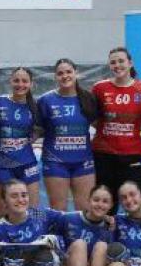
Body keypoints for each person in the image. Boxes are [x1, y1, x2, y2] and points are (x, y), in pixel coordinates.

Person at [91, 47, 141, 201]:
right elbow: (90, 116)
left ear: (130, 63)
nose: (117, 65)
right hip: (103, 156)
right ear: (109, 66)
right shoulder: (99, 88)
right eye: (113, 62)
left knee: (135, 204)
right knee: (105, 205)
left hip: (133, 155)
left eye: (121, 61)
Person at [38, 58, 99, 211]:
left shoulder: (88, 98)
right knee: (58, 209)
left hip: (83, 161)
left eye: (68, 72)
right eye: (60, 73)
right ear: (55, 77)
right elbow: (37, 130)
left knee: (85, 209)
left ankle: (81, 236)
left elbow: (100, 125)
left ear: (76, 73)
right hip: (55, 161)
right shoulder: (45, 100)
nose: (65, 76)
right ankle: (57, 236)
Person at [53, 185, 113, 266]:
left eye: (105, 201)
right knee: (80, 244)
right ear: (88, 201)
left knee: (102, 246)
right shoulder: (68, 218)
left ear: (111, 205)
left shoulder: (111, 228)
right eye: (96, 200)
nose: (100, 204)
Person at [0, 66, 41, 216]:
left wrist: (35, 135)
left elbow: (42, 128)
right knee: (4, 212)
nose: (20, 84)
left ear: (32, 84)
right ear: (10, 82)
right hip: (3, 165)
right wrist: (1, 136)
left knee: (33, 211)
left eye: (25, 81)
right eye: (16, 80)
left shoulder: (36, 106)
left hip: (28, 163)